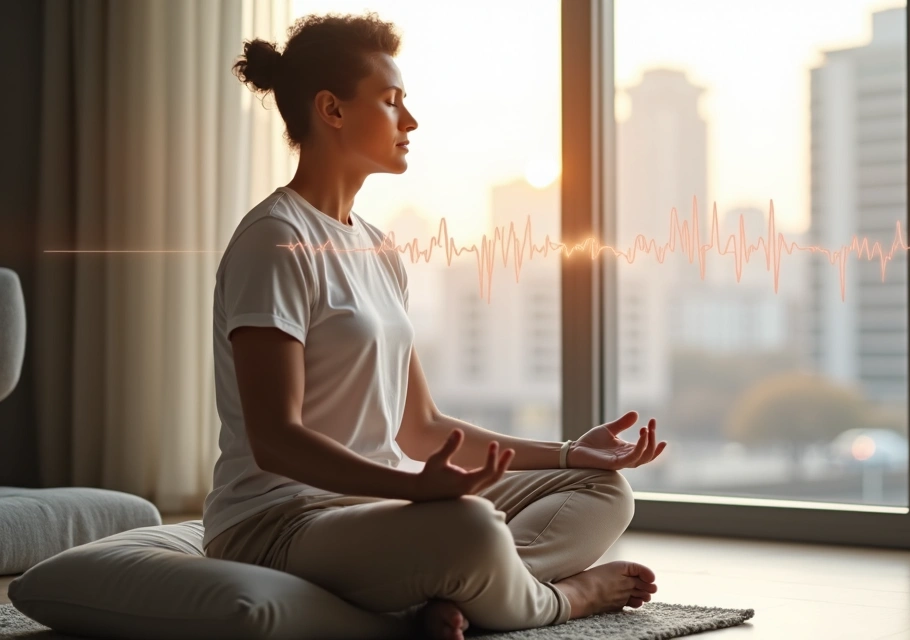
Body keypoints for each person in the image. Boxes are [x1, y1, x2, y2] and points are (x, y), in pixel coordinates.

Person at [201, 12, 667, 640]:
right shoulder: (275, 242)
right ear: (331, 110)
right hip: (281, 521)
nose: (410, 121)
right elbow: (275, 440)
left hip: (384, 508)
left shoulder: (377, 249)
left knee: (604, 490)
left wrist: (567, 452)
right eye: (391, 102)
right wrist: (414, 491)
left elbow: (421, 427)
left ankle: (460, 592)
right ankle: (562, 601)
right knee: (468, 527)